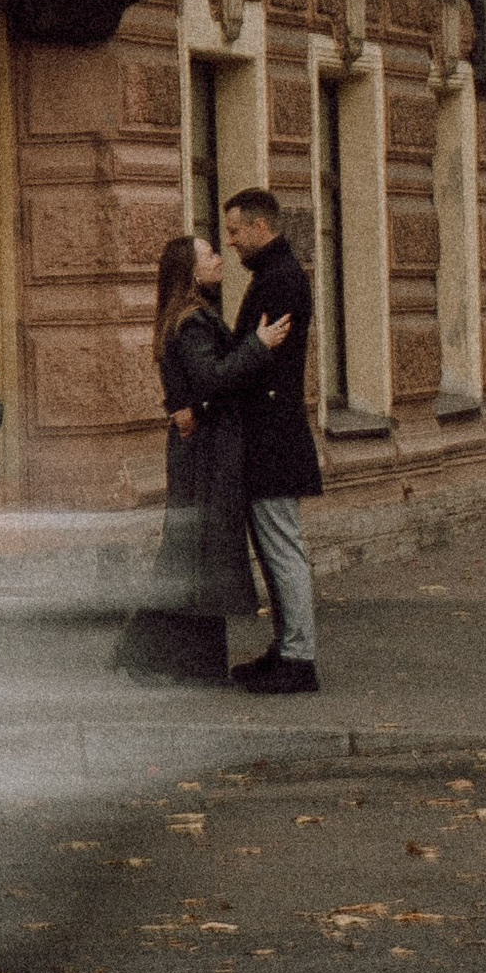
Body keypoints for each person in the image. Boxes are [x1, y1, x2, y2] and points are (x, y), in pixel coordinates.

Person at [112, 233, 291, 683]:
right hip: (206, 452)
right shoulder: (192, 321)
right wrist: (259, 344)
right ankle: (154, 653)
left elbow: (185, 382)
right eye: (210, 254)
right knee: (198, 552)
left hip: (202, 445)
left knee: (197, 552)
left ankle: (185, 661)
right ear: (191, 271)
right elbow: (211, 377)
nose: (219, 258)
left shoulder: (192, 316)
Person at [196, 185, 322, 692]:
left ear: (259, 227)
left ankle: (298, 658)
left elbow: (262, 360)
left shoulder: (280, 280)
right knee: (275, 547)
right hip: (271, 433)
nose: (230, 242)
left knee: (282, 546)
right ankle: (287, 648)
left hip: (272, 437)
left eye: (234, 231)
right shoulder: (275, 275)